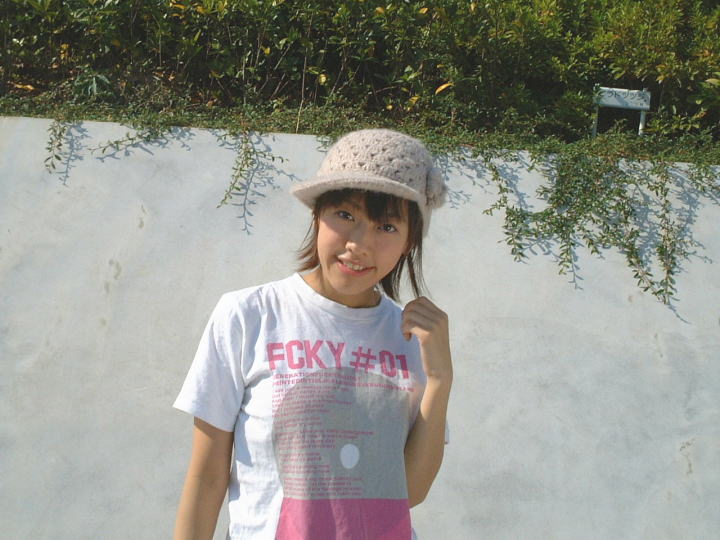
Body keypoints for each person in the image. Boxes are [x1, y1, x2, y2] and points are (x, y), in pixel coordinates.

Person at [173, 128, 453, 540]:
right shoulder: (249, 315)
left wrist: (440, 379)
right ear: (317, 214)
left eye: (387, 227)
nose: (360, 244)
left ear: (409, 241)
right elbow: (206, 478)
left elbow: (408, 492)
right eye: (346, 216)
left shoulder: (414, 340)